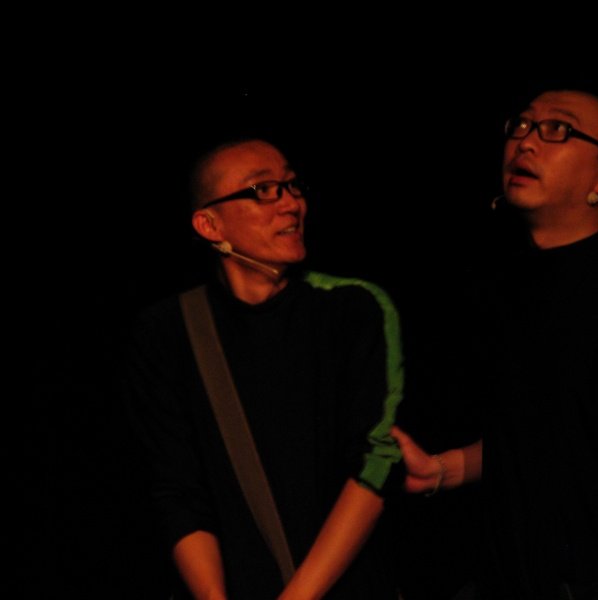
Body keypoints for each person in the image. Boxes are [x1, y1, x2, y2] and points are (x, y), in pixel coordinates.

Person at [392, 87, 598, 599]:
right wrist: (443, 470)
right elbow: (547, 437)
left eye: (558, 130)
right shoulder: (498, 286)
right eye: (521, 125)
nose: (526, 142)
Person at [122, 136, 404, 599]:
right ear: (209, 224)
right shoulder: (169, 330)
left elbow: (375, 465)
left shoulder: (353, 308)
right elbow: (176, 488)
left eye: (292, 186)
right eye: (263, 190)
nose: (291, 204)